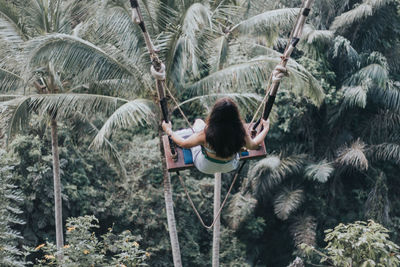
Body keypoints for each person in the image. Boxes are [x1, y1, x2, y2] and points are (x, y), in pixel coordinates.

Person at [162, 98, 270, 174]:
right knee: (237, 145)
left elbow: (183, 143)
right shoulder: (240, 132)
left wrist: (169, 131)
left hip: (206, 166)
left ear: (214, 115)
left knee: (199, 123)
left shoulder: (205, 134)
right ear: (235, 115)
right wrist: (266, 128)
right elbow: (254, 145)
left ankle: (185, 132)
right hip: (230, 166)